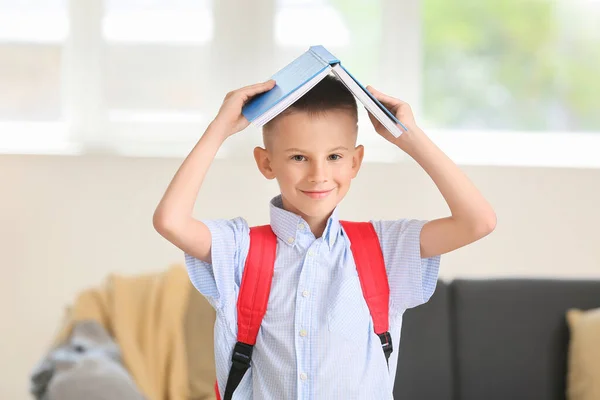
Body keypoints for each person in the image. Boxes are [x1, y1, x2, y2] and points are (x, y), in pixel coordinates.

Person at [153, 75, 496, 399]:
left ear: (355, 162)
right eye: (299, 157)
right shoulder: (241, 250)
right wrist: (219, 129)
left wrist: (408, 136)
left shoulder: (384, 247)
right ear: (266, 163)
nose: (319, 175)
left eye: (334, 156)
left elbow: (477, 221)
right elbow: (171, 220)